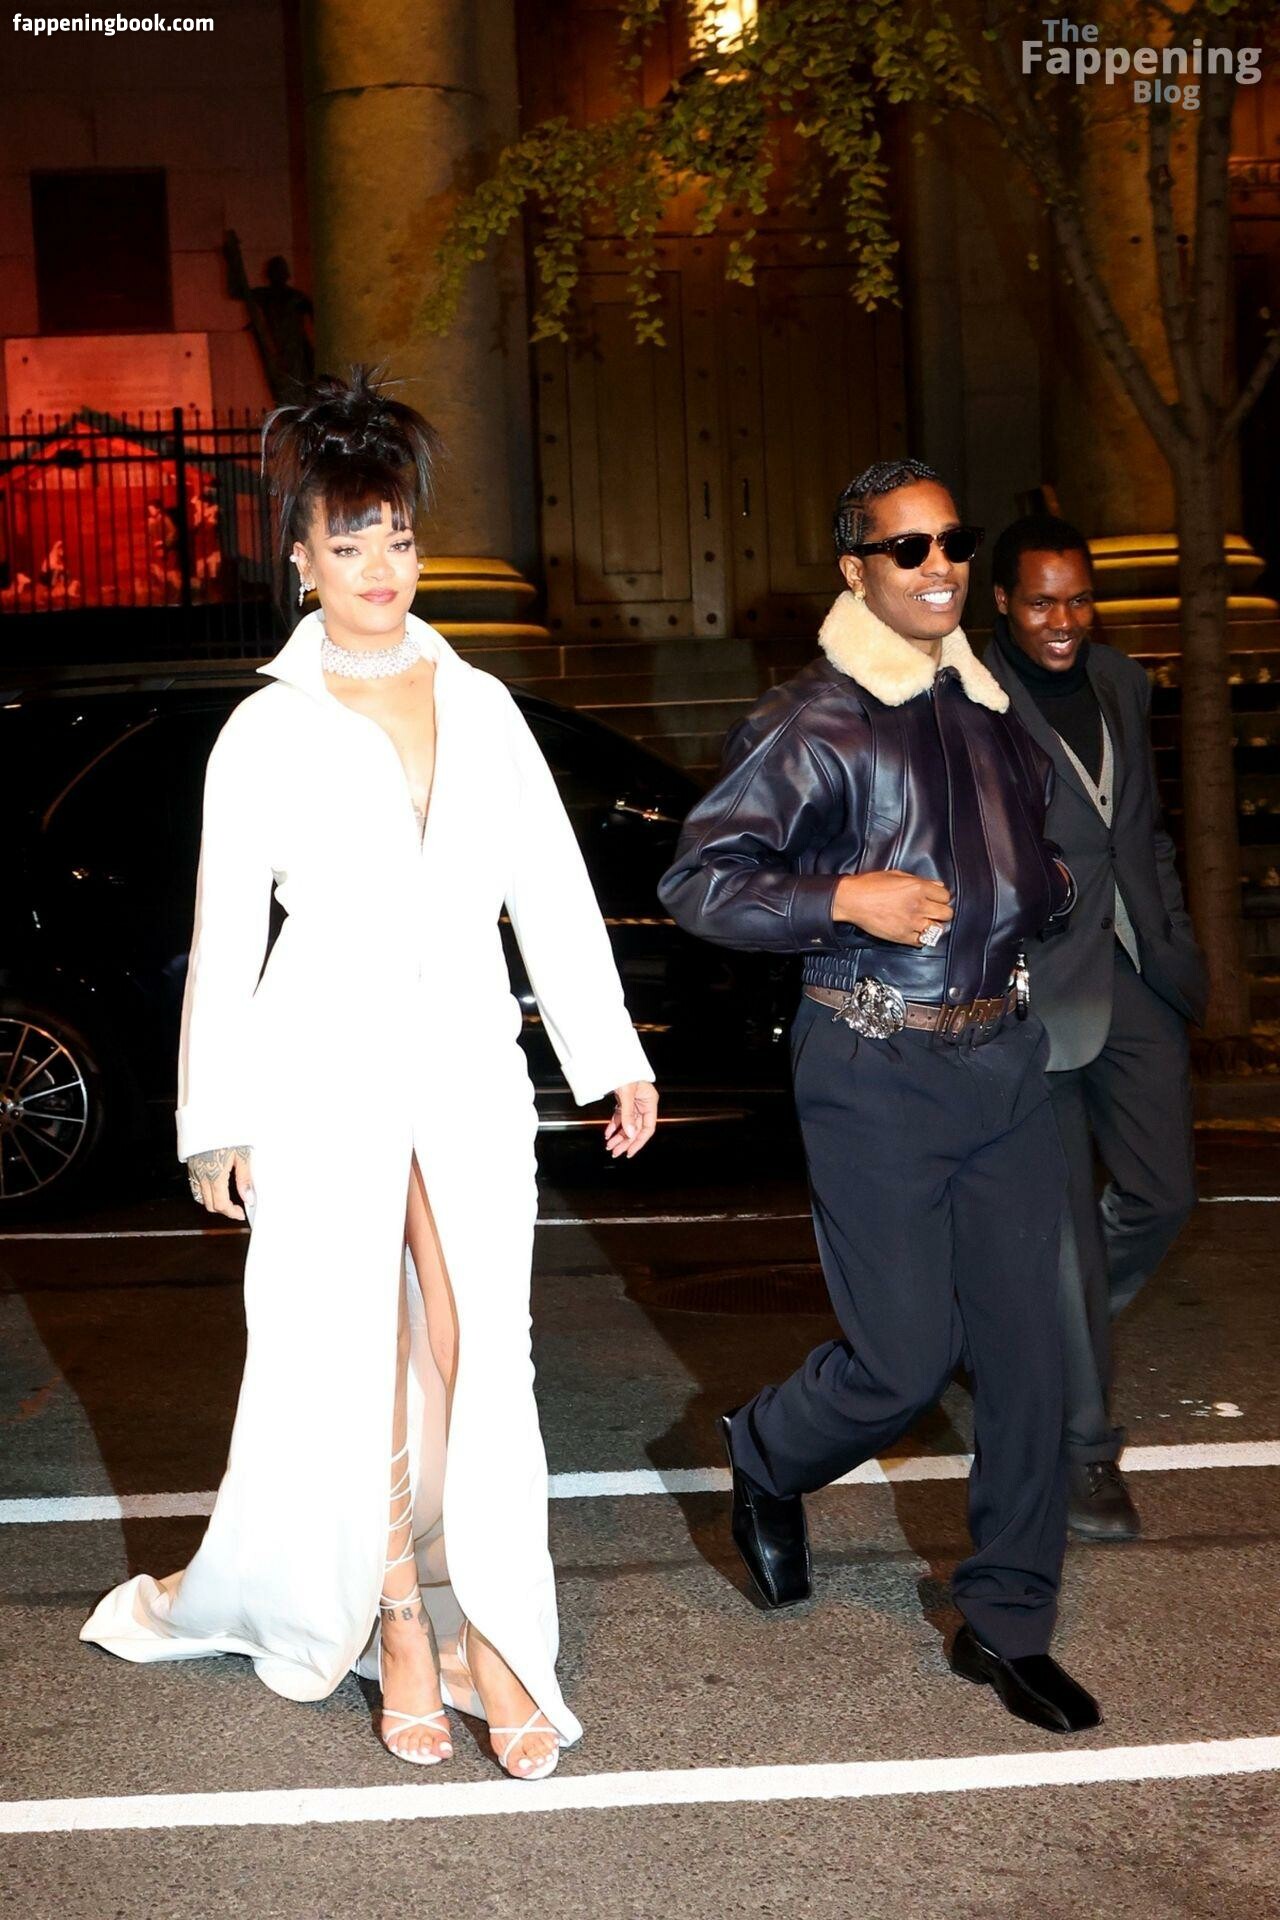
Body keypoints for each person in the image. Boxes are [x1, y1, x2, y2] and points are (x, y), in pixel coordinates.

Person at [82, 367, 659, 1780]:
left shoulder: (483, 703)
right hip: (320, 1059)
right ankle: (399, 1618)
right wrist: (213, 1121)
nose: (381, 568)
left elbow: (550, 890)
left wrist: (607, 1053)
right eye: (349, 544)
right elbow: (227, 931)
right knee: (353, 1348)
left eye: (397, 538)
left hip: (466, 1053)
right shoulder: (266, 729)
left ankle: (501, 1638)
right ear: (300, 560)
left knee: (483, 1348)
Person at [660, 458, 1101, 1734]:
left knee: (1029, 1358)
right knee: (901, 1362)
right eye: (906, 548)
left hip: (1001, 1059)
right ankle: (766, 1452)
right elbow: (700, 882)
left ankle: (1005, 1622)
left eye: (950, 542)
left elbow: (1035, 858)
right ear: (855, 570)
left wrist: (1046, 890)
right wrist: (842, 898)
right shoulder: (813, 719)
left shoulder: (989, 708)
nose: (937, 566)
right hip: (873, 1063)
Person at [986, 515, 1206, 1541]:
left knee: (1164, 1194)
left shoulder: (1121, 681)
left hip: (1132, 975)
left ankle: (1037, 1331)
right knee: (1067, 1225)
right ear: (1002, 603)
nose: (1063, 621)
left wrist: (1175, 945)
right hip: (1031, 988)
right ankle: (1083, 1455)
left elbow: (1141, 830)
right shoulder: (968, 699)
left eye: (1077, 600)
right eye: (1041, 602)